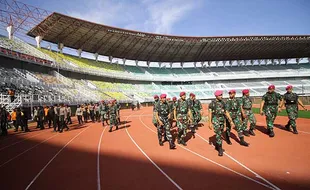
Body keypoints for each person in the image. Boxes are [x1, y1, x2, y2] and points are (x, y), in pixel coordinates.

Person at [208, 90, 234, 156]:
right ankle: (220, 149)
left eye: (221, 95)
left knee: (221, 132)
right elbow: (210, 113)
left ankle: (217, 145)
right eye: (220, 95)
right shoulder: (212, 103)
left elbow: (226, 112)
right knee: (219, 133)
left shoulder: (223, 103)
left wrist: (230, 120)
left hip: (222, 119)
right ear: (216, 96)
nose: (221, 96)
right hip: (215, 119)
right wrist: (209, 122)